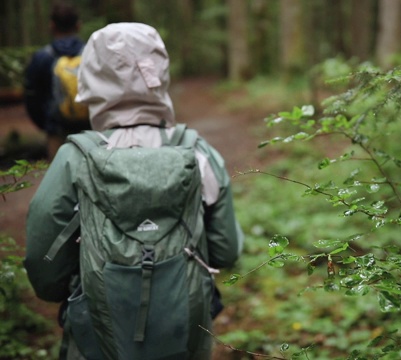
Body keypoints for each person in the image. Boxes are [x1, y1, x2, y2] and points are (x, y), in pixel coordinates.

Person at [24, 22, 244, 359]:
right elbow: (226, 249)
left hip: (96, 339)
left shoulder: (76, 158)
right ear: (160, 72)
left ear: (91, 77)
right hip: (184, 337)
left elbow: (45, 266)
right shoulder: (197, 151)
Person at [23, 2, 90, 161]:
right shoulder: (92, 53)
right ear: (79, 26)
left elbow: (31, 98)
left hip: (56, 131)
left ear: (52, 26)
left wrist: (46, 124)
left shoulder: (42, 57)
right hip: (91, 130)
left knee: (59, 179)